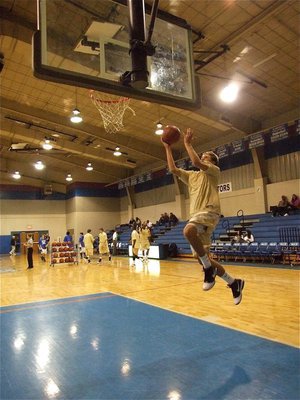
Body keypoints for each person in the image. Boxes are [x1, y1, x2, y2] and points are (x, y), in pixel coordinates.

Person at [162, 128, 244, 305]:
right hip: (197, 214)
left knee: (188, 231)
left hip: (208, 211)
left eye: (206, 156)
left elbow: (195, 161)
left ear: (213, 161)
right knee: (200, 259)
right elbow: (173, 169)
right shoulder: (192, 176)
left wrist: (187, 143)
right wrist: (167, 147)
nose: (203, 156)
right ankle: (233, 282)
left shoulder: (213, 171)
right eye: (204, 155)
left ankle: (208, 269)